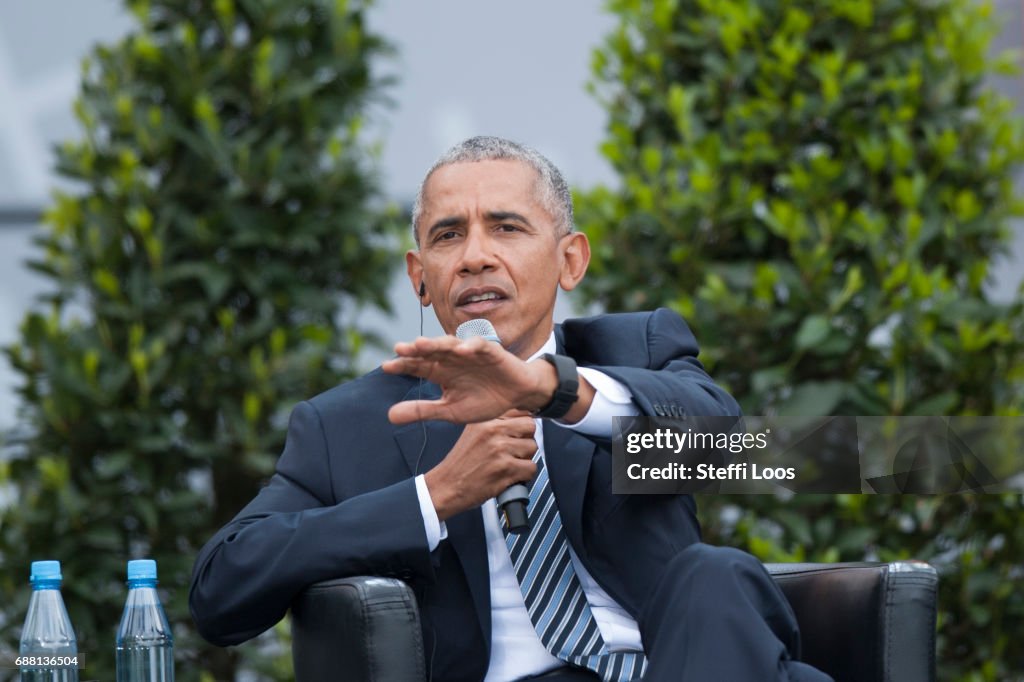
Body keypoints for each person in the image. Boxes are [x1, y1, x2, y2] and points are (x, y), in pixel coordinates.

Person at [190, 136, 831, 681]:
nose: (475, 256)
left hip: (687, 663)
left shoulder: (636, 352)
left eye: (506, 227)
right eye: (449, 236)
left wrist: (556, 393)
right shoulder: (354, 425)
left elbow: (758, 457)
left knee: (713, 574)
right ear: (420, 275)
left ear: (569, 260)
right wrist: (433, 497)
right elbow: (221, 592)